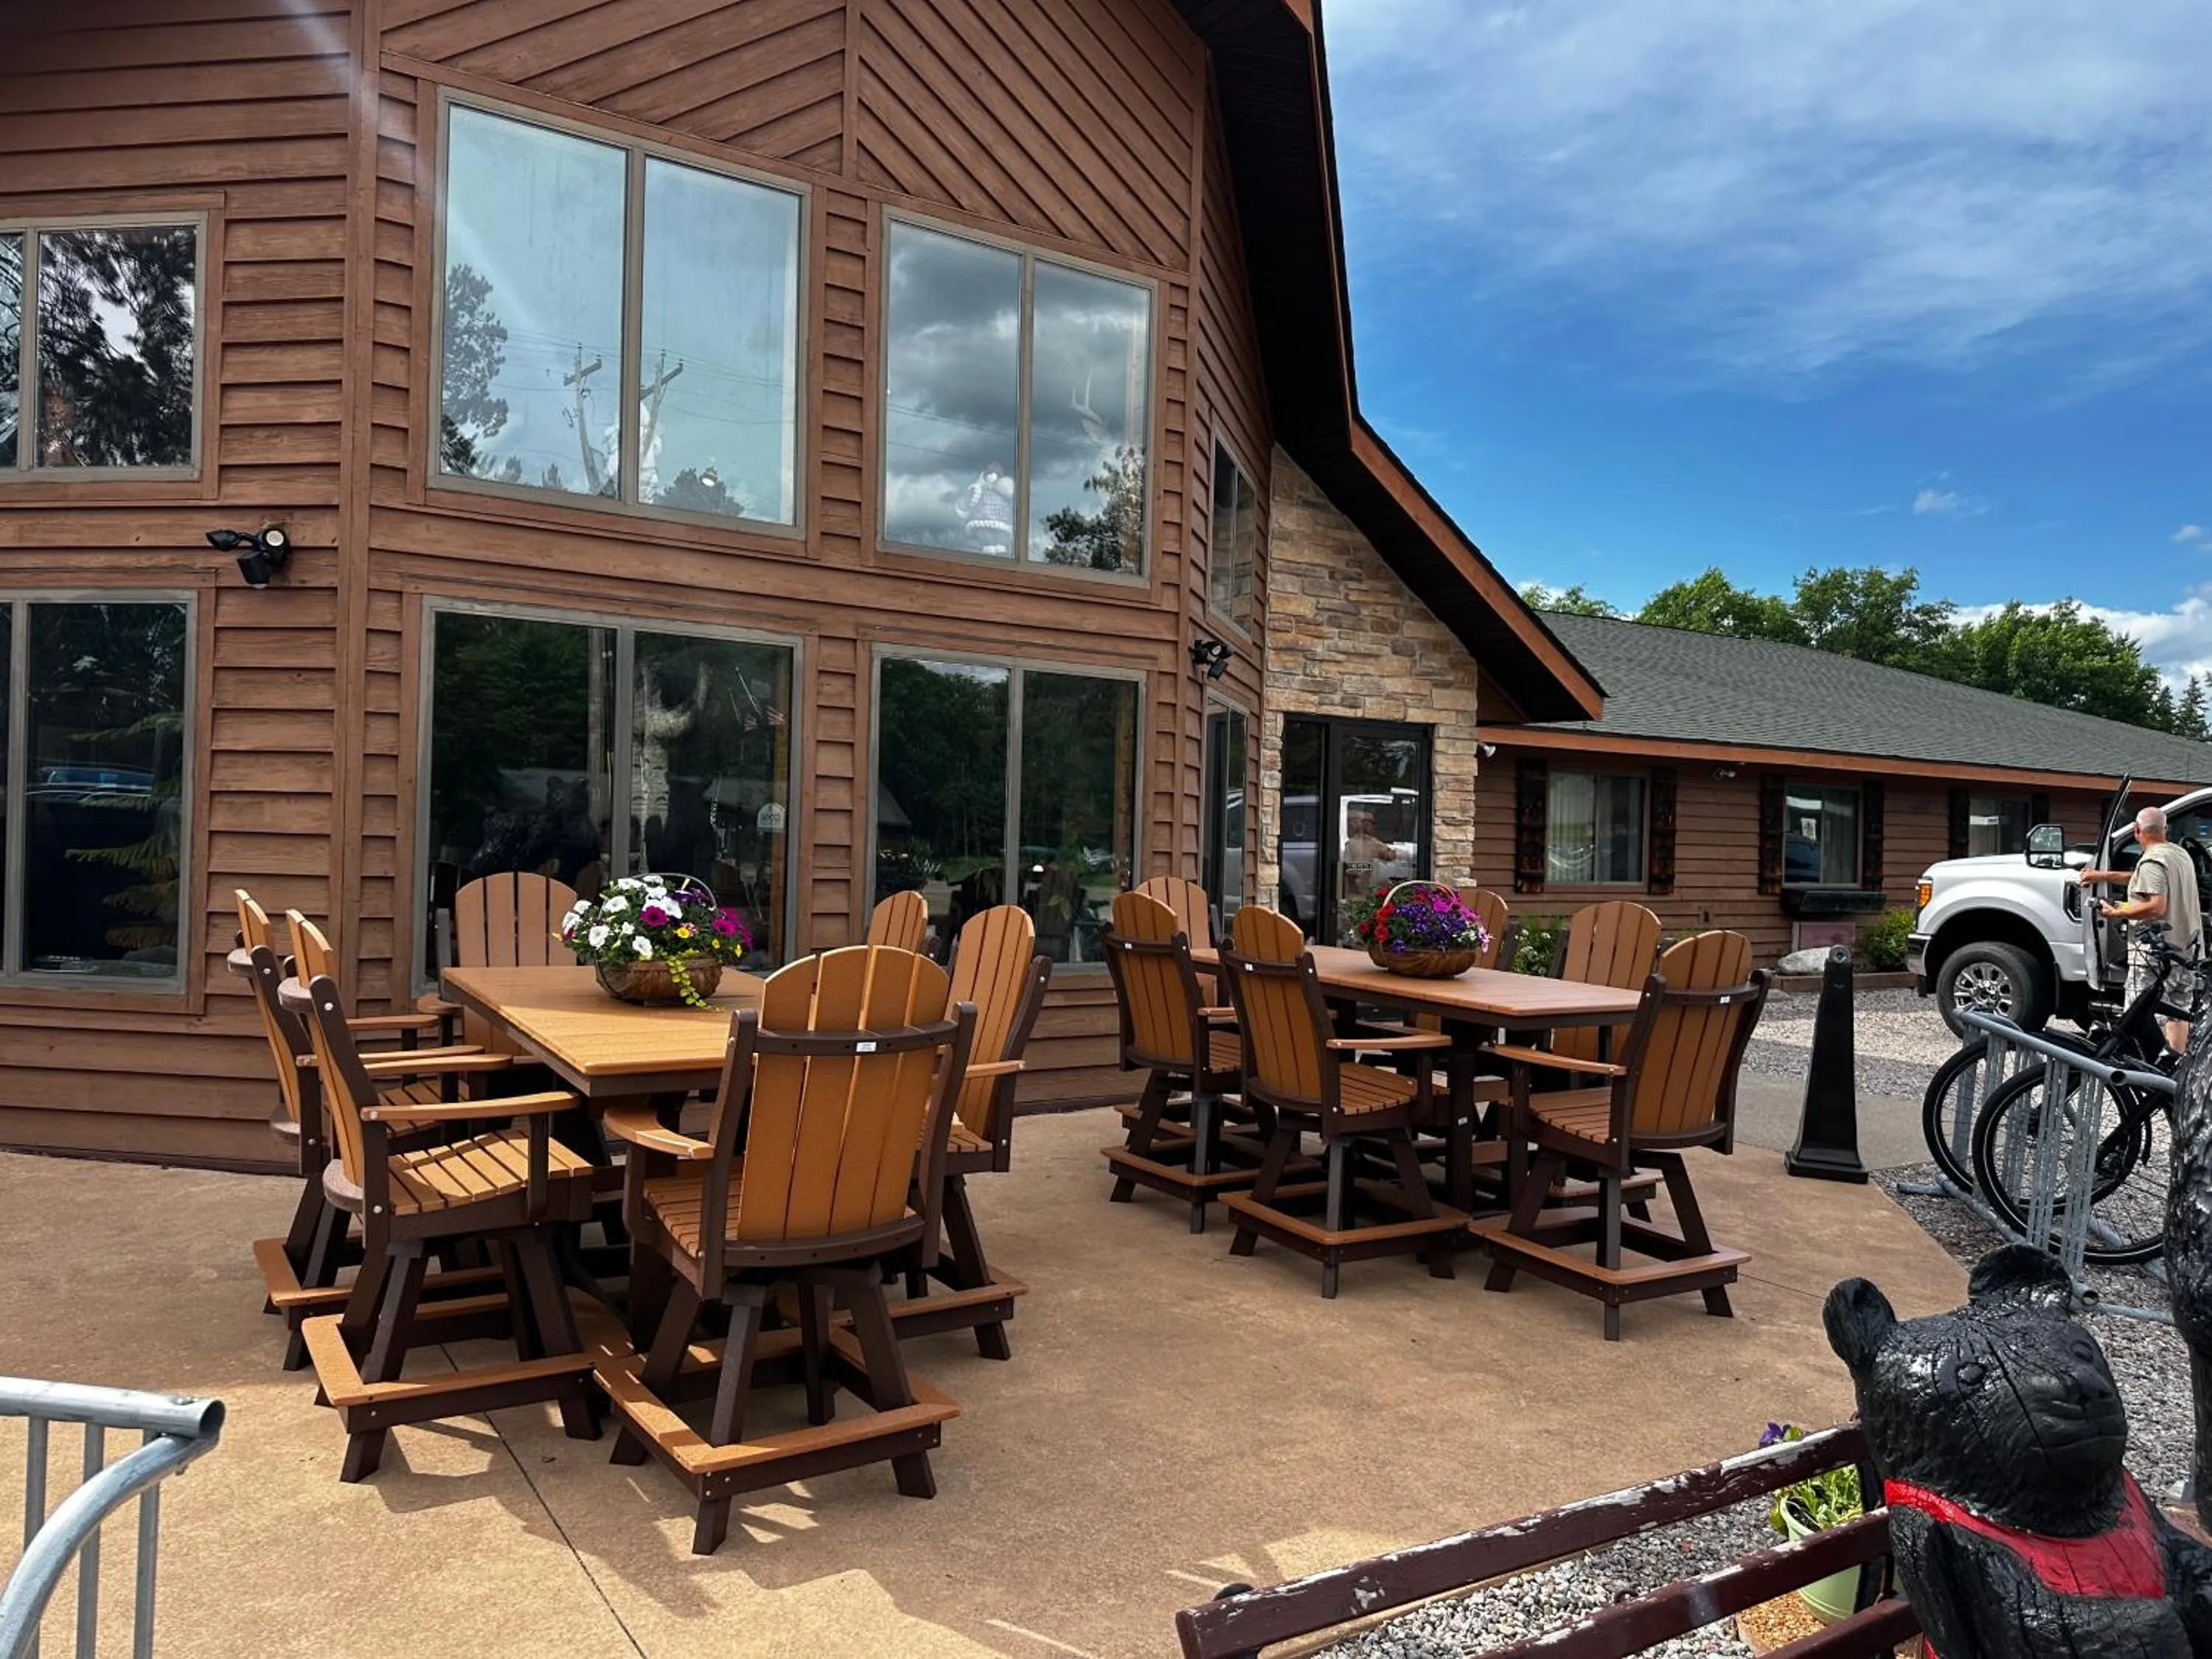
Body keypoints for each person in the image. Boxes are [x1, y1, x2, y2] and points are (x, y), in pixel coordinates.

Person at [2081, 805, 2203, 1052]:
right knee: (2177, 1013)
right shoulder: (2179, 855)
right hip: (2186, 952)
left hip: (2155, 957)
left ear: (2137, 831)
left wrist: (2116, 912)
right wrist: (2101, 876)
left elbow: (2156, 907)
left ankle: (2143, 1072)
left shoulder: (2152, 861)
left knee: (2139, 1015)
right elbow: (2138, 877)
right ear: (2165, 830)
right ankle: (2173, 1073)